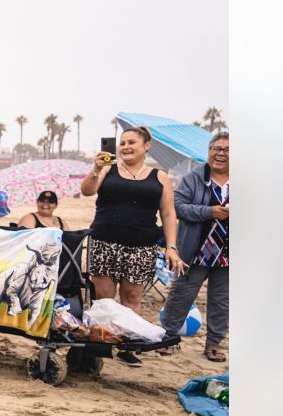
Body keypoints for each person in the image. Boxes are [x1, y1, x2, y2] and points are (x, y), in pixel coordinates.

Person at [81, 125, 185, 367]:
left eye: (132, 143)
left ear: (146, 146)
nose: (125, 147)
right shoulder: (108, 169)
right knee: (104, 298)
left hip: (142, 246)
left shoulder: (159, 177)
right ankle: (102, 344)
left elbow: (169, 214)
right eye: (123, 143)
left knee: (132, 295)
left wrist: (171, 246)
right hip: (105, 241)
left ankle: (127, 346)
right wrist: (96, 169)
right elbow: (86, 191)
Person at [160, 132, 229, 362]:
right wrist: (210, 212)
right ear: (208, 152)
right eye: (215, 148)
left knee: (222, 300)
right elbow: (177, 206)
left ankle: (213, 344)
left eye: (227, 150)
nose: (220, 153)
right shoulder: (194, 178)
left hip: (228, 254)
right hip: (195, 250)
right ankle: (168, 338)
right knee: (181, 295)